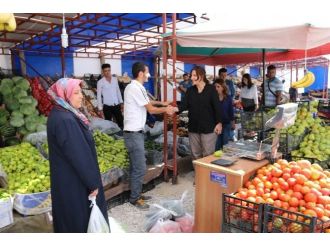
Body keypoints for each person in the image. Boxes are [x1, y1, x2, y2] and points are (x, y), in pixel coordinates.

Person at [47, 78, 109, 233]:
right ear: (65, 95)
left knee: (69, 220)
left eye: (81, 91)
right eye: (76, 92)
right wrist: (93, 183)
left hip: (67, 180)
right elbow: (79, 156)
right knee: (78, 222)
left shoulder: (60, 113)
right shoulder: (66, 120)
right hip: (74, 183)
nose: (81, 96)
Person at [123, 62, 177, 210]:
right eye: (147, 72)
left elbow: (148, 102)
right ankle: (134, 199)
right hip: (133, 135)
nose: (149, 75)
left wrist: (162, 102)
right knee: (139, 167)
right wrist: (166, 108)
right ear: (140, 73)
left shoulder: (136, 87)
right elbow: (151, 110)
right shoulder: (134, 87)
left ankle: (136, 194)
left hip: (135, 134)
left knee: (136, 166)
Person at [179, 66, 222, 162]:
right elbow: (183, 105)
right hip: (193, 127)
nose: (192, 78)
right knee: (195, 154)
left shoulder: (211, 90)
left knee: (208, 153)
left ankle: (206, 175)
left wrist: (219, 123)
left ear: (201, 76)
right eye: (191, 75)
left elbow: (217, 107)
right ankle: (198, 175)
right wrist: (173, 109)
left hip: (209, 128)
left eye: (194, 75)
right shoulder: (190, 91)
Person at [97, 63, 124, 129]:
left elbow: (118, 91)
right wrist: (100, 108)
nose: (107, 72)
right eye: (105, 71)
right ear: (103, 72)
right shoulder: (100, 82)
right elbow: (99, 96)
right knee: (109, 125)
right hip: (107, 107)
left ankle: (123, 136)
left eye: (109, 70)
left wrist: (121, 102)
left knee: (121, 122)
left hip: (116, 105)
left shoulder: (115, 79)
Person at [214, 79, 235, 150]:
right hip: (216, 124)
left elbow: (231, 111)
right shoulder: (213, 98)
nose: (216, 88)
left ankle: (225, 160)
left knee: (225, 144)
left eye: (218, 86)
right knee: (217, 145)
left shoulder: (228, 98)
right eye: (215, 87)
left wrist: (233, 123)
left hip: (226, 123)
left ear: (223, 87)